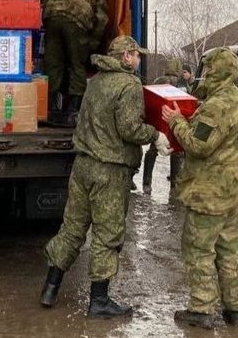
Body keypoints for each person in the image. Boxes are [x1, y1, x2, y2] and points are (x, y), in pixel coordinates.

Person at [40, 35, 172, 317]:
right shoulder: (129, 84)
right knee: (107, 235)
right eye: (136, 55)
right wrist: (156, 134)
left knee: (72, 228)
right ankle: (99, 301)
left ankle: (50, 289)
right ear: (126, 56)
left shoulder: (96, 80)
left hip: (83, 166)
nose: (139, 60)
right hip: (109, 171)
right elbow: (129, 129)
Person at [163, 47, 238, 329]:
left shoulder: (217, 105)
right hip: (229, 192)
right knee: (228, 251)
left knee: (198, 249)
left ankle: (201, 309)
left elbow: (199, 145)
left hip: (209, 194)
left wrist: (174, 120)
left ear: (212, 71)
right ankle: (236, 308)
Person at [42, 0, 108, 127]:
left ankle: (51, 111)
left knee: (54, 64)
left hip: (52, 16)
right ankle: (73, 113)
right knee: (76, 65)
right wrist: (92, 44)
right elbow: (101, 19)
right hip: (77, 21)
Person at [142, 58, 185, 191]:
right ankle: (174, 183)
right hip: (174, 119)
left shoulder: (158, 81)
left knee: (153, 149)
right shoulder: (182, 83)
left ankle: (146, 182)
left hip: (158, 119)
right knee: (176, 152)